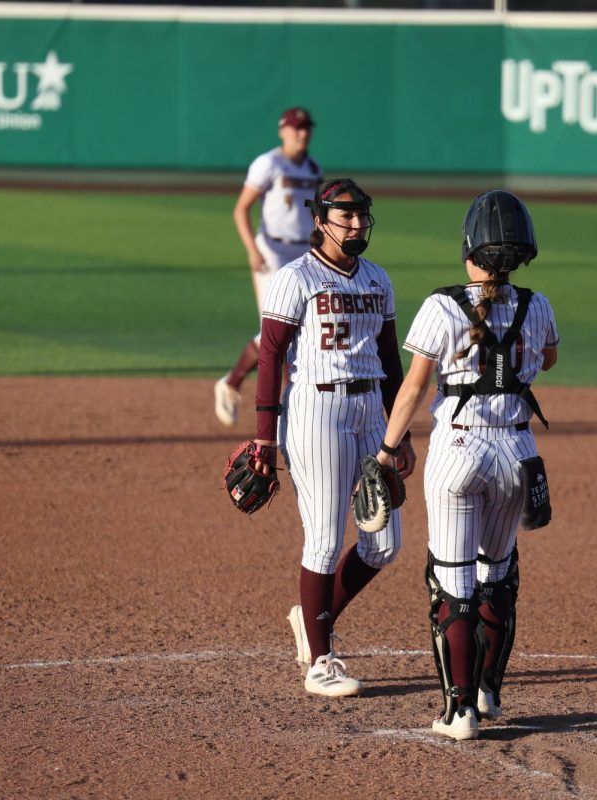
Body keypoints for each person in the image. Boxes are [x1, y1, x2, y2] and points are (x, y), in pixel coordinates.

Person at [373, 190, 559, 740]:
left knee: (450, 584)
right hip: (517, 454)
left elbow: (412, 387)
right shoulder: (538, 304)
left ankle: (459, 713)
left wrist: (386, 451)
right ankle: (489, 692)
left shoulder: (441, 306)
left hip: (458, 452)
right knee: (497, 578)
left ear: (468, 245)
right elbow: (548, 357)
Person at [250, 178, 416, 697]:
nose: (358, 224)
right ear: (320, 221)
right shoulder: (294, 278)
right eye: (346, 216)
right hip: (316, 411)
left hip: (371, 414)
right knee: (324, 537)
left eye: (362, 215)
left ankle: (311, 616)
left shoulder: (378, 279)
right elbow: (270, 357)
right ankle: (321, 661)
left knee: (384, 542)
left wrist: (400, 432)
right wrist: (263, 439)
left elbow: (391, 363)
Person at [215, 106, 322, 426]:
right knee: (276, 327)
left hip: (305, 252)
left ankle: (286, 399)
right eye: (295, 128)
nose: (301, 133)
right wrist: (252, 249)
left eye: (306, 128)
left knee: (303, 326)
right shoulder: (269, 163)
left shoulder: (313, 169)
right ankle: (233, 384)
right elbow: (240, 209)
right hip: (272, 251)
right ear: (282, 131)